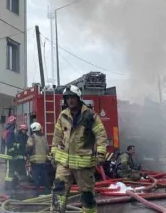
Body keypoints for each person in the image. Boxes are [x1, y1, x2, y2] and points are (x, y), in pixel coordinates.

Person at [50, 85, 108, 213]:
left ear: (79, 98)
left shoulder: (90, 116)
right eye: (67, 98)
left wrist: (101, 153)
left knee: (87, 195)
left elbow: (101, 135)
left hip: (84, 164)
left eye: (72, 98)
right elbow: (57, 136)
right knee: (59, 191)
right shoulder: (63, 115)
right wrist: (54, 153)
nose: (70, 100)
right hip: (64, 163)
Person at [27, 122, 51, 196]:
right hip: (43, 161)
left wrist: (27, 154)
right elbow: (47, 148)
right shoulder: (44, 137)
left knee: (36, 177)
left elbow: (29, 148)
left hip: (35, 162)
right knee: (44, 176)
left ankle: (37, 192)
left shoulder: (32, 137)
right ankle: (48, 191)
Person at [0, 116, 23, 191]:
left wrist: (16, 145)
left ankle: (8, 186)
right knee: (9, 170)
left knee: (9, 170)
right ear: (13, 124)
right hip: (8, 154)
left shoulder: (6, 131)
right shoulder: (10, 132)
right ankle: (7, 186)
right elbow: (9, 143)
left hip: (6, 153)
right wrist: (14, 150)